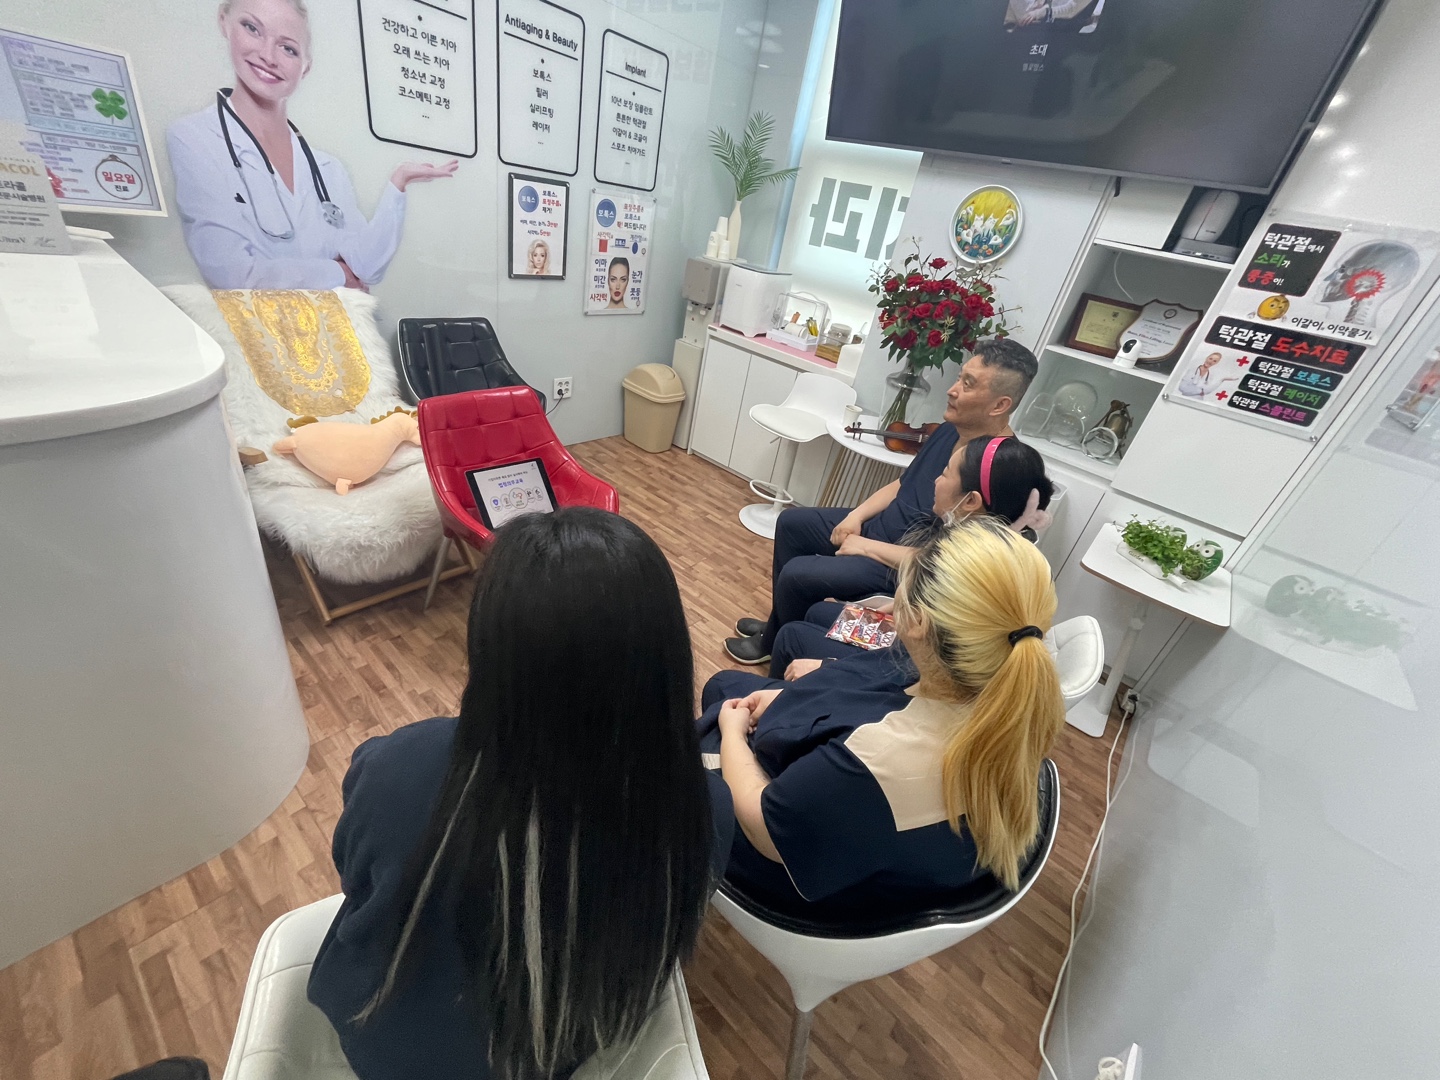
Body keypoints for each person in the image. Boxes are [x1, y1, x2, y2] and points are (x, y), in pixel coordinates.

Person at [307, 508, 733, 1080]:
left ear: (489, 649)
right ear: (666, 655)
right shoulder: (704, 811)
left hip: (387, 1052)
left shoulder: (396, 767)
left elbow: (355, 880)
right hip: (553, 1055)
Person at [700, 517, 1064, 921]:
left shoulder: (879, 762)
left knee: (710, 719)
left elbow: (763, 825)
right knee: (725, 685)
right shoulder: (998, 691)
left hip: (793, 870)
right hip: (854, 828)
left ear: (919, 621)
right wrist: (789, 697)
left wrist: (733, 736)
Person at [725, 337, 1039, 666]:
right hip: (880, 530)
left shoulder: (1001, 468)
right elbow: (902, 484)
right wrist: (856, 517)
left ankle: (779, 642)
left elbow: (949, 565)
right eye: (960, 377)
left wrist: (865, 547)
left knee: (797, 574)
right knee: (792, 523)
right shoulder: (951, 428)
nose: (952, 390)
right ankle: (779, 627)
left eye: (968, 384)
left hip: (901, 567)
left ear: (999, 405)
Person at [167, 0, 458, 291]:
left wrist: (398, 184)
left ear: (306, 67)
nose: (268, 56)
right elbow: (233, 275)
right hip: (260, 323)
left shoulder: (328, 169)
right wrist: (338, 273)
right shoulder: (194, 138)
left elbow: (366, 268)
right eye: (252, 28)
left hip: (340, 321)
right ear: (224, 21)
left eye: (288, 49)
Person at [769, 434, 1055, 680]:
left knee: (792, 637)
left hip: (917, 671)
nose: (935, 480)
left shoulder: (967, 564)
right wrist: (893, 607)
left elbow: (923, 669)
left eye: (945, 473)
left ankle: (779, 706)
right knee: (816, 613)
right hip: (917, 643)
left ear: (971, 500)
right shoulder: (991, 544)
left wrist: (828, 666)